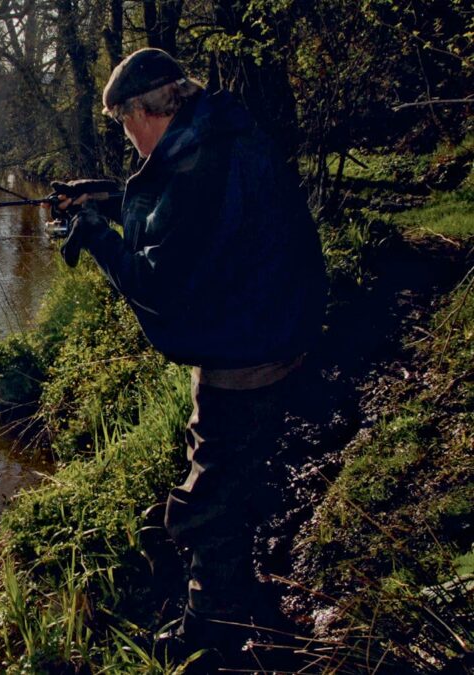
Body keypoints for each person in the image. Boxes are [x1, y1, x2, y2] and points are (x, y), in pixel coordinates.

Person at [52, 48, 326, 659]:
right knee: (234, 472)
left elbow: (156, 283)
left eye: (125, 125)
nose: (128, 140)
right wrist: (99, 200)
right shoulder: (220, 131)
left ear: (144, 111)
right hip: (273, 330)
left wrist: (96, 234)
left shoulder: (202, 164)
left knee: (214, 493)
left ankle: (210, 635)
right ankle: (237, 586)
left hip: (246, 352)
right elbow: (174, 210)